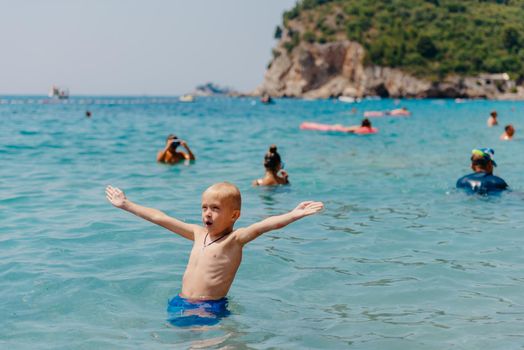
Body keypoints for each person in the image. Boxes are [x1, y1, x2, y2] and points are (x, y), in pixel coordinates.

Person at [105, 183, 323, 326]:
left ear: (234, 215)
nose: (207, 213)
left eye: (215, 208)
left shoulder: (234, 240)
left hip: (210, 307)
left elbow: (264, 225)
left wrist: (295, 214)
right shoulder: (197, 233)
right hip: (181, 302)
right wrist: (126, 204)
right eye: (204, 207)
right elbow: (160, 218)